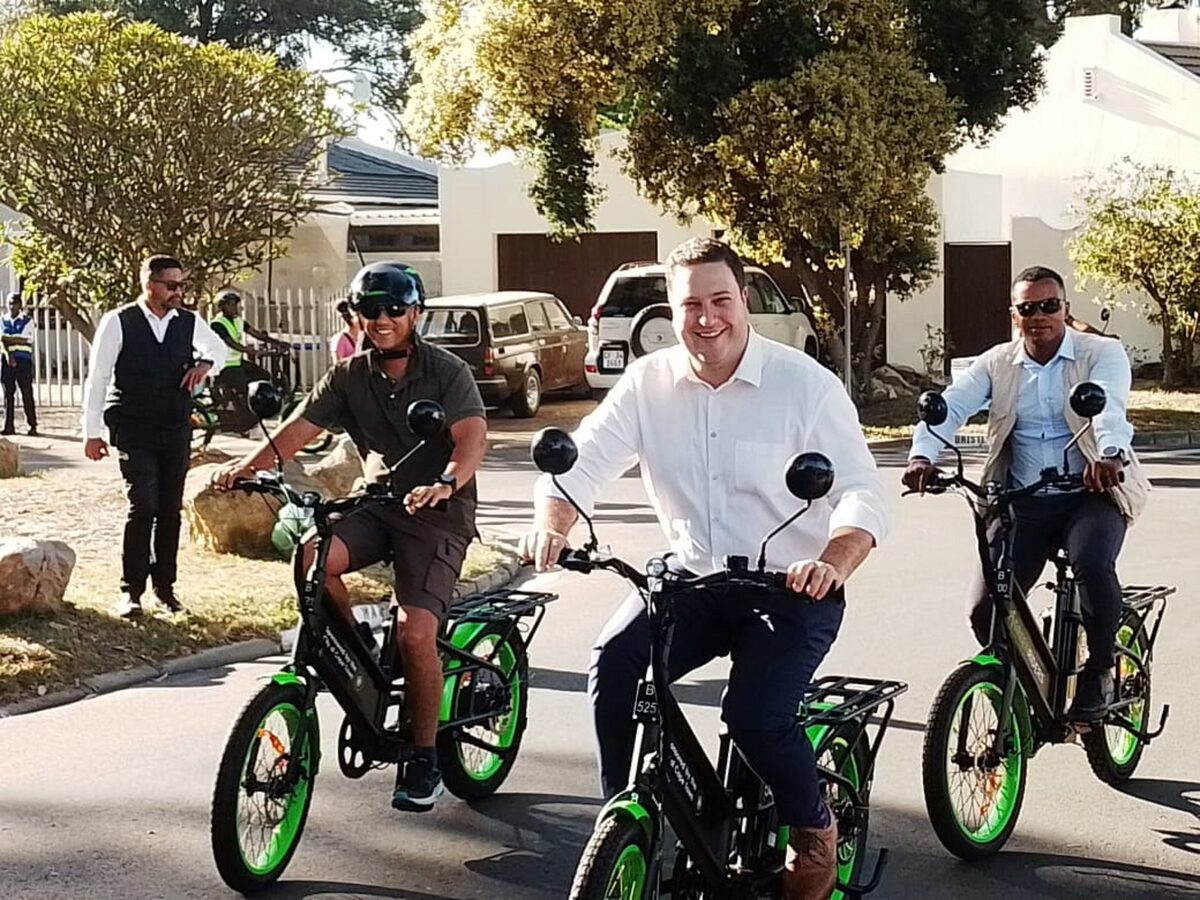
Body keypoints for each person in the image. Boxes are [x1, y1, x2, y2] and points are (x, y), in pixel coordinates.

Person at [518, 237, 888, 900]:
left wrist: (833, 559)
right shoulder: (648, 382)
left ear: (743, 301)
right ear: (672, 308)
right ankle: (624, 818)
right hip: (690, 579)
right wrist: (553, 523)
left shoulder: (805, 384)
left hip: (790, 587)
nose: (706, 316)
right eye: (691, 303)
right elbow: (582, 463)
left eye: (721, 300)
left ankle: (814, 828)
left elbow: (860, 488)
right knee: (614, 663)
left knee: (753, 717)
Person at [213, 263, 488, 813]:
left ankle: (424, 757)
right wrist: (244, 467)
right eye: (370, 310)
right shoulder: (349, 374)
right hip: (378, 503)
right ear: (355, 315)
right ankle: (361, 658)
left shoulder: (446, 371)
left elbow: (472, 437)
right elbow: (298, 428)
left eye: (393, 309)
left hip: (437, 513)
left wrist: (445, 482)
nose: (381, 320)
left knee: (415, 633)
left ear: (415, 314)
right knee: (313, 557)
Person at [903, 265, 1150, 722]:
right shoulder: (997, 363)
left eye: (1049, 306)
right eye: (1027, 308)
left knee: (1092, 563)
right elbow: (951, 406)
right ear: (1015, 315)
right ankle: (1026, 681)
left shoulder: (1101, 354)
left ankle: (1099, 671)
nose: (1039, 316)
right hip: (1022, 501)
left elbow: (1109, 407)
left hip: (1091, 493)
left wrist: (1111, 456)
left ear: (1065, 309)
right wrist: (921, 457)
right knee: (985, 610)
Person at [82, 256, 228, 618]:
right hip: (133, 427)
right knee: (143, 504)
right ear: (150, 284)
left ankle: (166, 589)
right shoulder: (119, 322)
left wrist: (205, 365)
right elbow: (98, 377)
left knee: (169, 510)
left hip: (175, 426)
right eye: (171, 286)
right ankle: (131, 590)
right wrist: (91, 433)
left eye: (181, 285)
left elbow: (219, 350)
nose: (178, 293)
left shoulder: (188, 322)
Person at [209, 289, 289, 411]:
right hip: (225, 365)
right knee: (243, 389)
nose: (234, 307)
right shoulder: (217, 324)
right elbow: (231, 343)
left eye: (235, 304)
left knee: (263, 375)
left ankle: (243, 404)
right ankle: (241, 413)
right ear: (222, 306)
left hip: (238, 362)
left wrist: (278, 343)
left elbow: (256, 334)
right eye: (230, 304)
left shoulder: (238, 320)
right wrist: (253, 352)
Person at [1, 292, 37, 436]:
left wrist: (7, 338)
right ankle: (8, 426)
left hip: (23, 361)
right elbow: (1, 340)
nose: (11, 307)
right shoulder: (3, 320)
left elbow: (26, 339)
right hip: (6, 360)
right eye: (9, 303)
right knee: (8, 394)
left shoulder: (27, 321)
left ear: (20, 305)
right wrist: (8, 353)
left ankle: (32, 425)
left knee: (26, 393)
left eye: (14, 303)